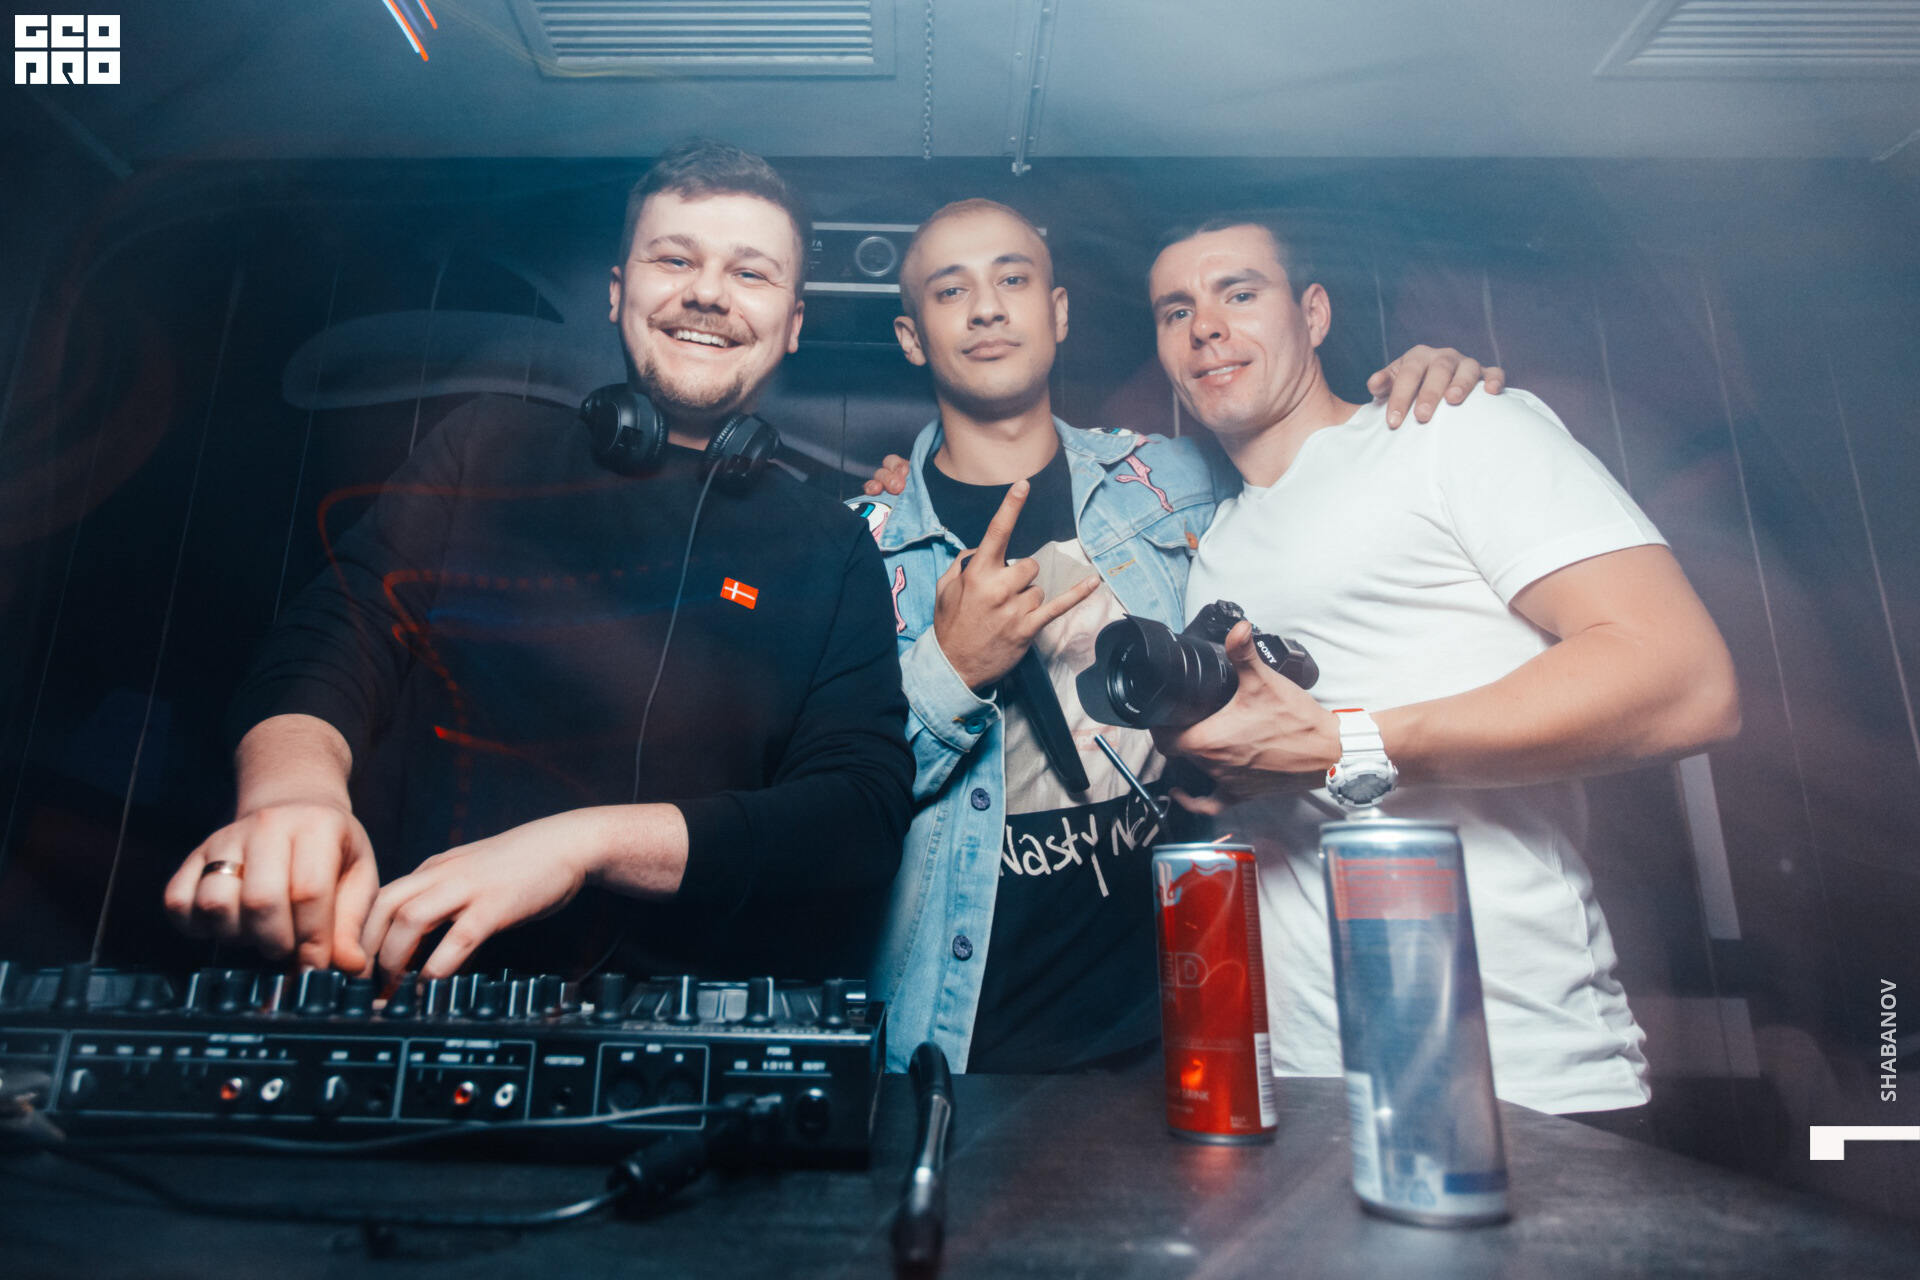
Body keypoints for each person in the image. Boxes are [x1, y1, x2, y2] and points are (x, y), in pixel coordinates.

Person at [163, 140, 912, 983]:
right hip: (403, 982)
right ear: (619, 292)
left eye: (750, 273)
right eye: (675, 259)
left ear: (793, 322)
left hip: (675, 1019)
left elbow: (859, 813)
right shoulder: (484, 445)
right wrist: (291, 795)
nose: (707, 292)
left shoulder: (833, 545)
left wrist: (582, 845)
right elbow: (339, 633)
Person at [857, 198, 1501, 1072]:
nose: (986, 309)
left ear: (1058, 312)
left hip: (1186, 1015)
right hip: (959, 1034)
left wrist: (1423, 381)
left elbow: (1309, 440)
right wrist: (952, 670)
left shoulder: (1175, 478)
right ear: (911, 336)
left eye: (1012, 279)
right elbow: (841, 802)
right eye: (950, 290)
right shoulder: (867, 547)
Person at [1147, 215, 1741, 1119]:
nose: (1206, 328)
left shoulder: (1447, 429)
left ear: (1313, 312)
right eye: (1175, 310)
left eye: (1240, 292)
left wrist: (1349, 745)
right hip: (1302, 1082)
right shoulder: (1214, 543)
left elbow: (1685, 679)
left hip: (1511, 1072)